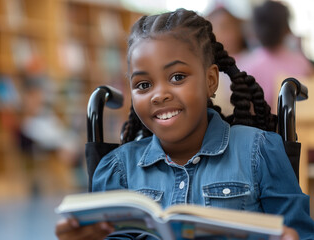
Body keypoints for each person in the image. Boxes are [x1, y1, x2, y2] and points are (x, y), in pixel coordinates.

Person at [55, 9, 314, 239]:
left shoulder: (259, 152)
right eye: (143, 85)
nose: (159, 94)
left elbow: (297, 231)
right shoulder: (117, 169)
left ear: (211, 80)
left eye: (177, 77)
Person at [242, 0, 313, 112]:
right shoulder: (301, 63)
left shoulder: (248, 66)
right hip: (297, 127)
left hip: (261, 128)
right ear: (286, 28)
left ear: (255, 30)